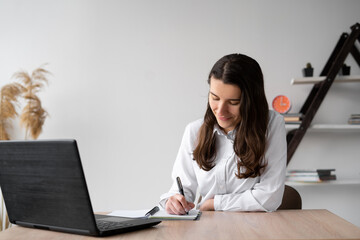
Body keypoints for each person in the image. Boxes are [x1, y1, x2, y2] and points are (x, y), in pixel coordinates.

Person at [159, 53, 287, 214]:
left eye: (233, 102)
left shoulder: (272, 125)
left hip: (254, 229)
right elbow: (182, 189)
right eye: (214, 98)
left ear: (252, 101)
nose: (220, 110)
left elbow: (270, 197)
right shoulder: (194, 131)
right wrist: (174, 201)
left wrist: (214, 204)